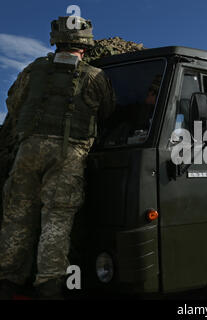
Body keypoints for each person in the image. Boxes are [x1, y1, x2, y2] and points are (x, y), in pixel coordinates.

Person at [0, 16, 115, 299]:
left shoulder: (33, 70)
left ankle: (8, 282)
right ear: (85, 47)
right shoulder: (94, 76)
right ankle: (49, 287)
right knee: (57, 221)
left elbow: (14, 104)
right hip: (69, 154)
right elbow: (108, 113)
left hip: (28, 150)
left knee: (17, 218)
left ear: (56, 42)